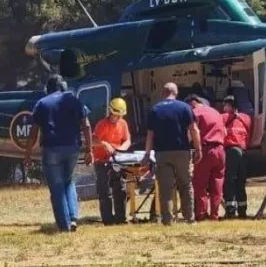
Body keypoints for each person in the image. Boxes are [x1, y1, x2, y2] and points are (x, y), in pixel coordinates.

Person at [24, 74, 93, 232]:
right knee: (69, 181)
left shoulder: (42, 103)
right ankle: (73, 218)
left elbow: (34, 132)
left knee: (57, 187)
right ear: (63, 86)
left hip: (51, 148)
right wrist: (89, 150)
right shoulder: (74, 100)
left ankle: (64, 226)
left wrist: (27, 153)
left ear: (48, 88)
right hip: (72, 148)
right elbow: (87, 126)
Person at [142, 82, 201, 225]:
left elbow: (150, 134)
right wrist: (198, 149)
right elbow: (194, 129)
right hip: (182, 151)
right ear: (176, 93)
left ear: (163, 93)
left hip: (162, 153)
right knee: (185, 185)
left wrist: (147, 153)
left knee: (165, 187)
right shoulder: (185, 107)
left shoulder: (154, 110)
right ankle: (189, 218)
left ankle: (167, 219)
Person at [184, 94, 226, 221]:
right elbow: (225, 132)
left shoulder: (195, 113)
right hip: (220, 149)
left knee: (200, 184)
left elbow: (191, 133)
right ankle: (214, 215)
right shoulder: (215, 112)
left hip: (206, 150)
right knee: (217, 184)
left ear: (192, 103)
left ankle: (201, 215)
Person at [92, 97, 131, 225]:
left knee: (120, 189)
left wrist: (120, 149)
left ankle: (121, 218)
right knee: (105, 191)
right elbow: (93, 140)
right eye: (116, 115)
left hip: (117, 160)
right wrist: (104, 144)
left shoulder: (123, 124)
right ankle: (108, 220)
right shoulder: (101, 124)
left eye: (120, 115)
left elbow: (127, 140)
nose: (118, 118)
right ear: (110, 112)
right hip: (101, 161)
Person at [222, 96, 251, 219]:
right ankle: (242, 211)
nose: (224, 108)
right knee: (241, 182)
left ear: (229, 106)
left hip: (231, 151)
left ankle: (230, 211)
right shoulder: (246, 118)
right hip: (243, 151)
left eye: (225, 105)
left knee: (229, 181)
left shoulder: (223, 117)